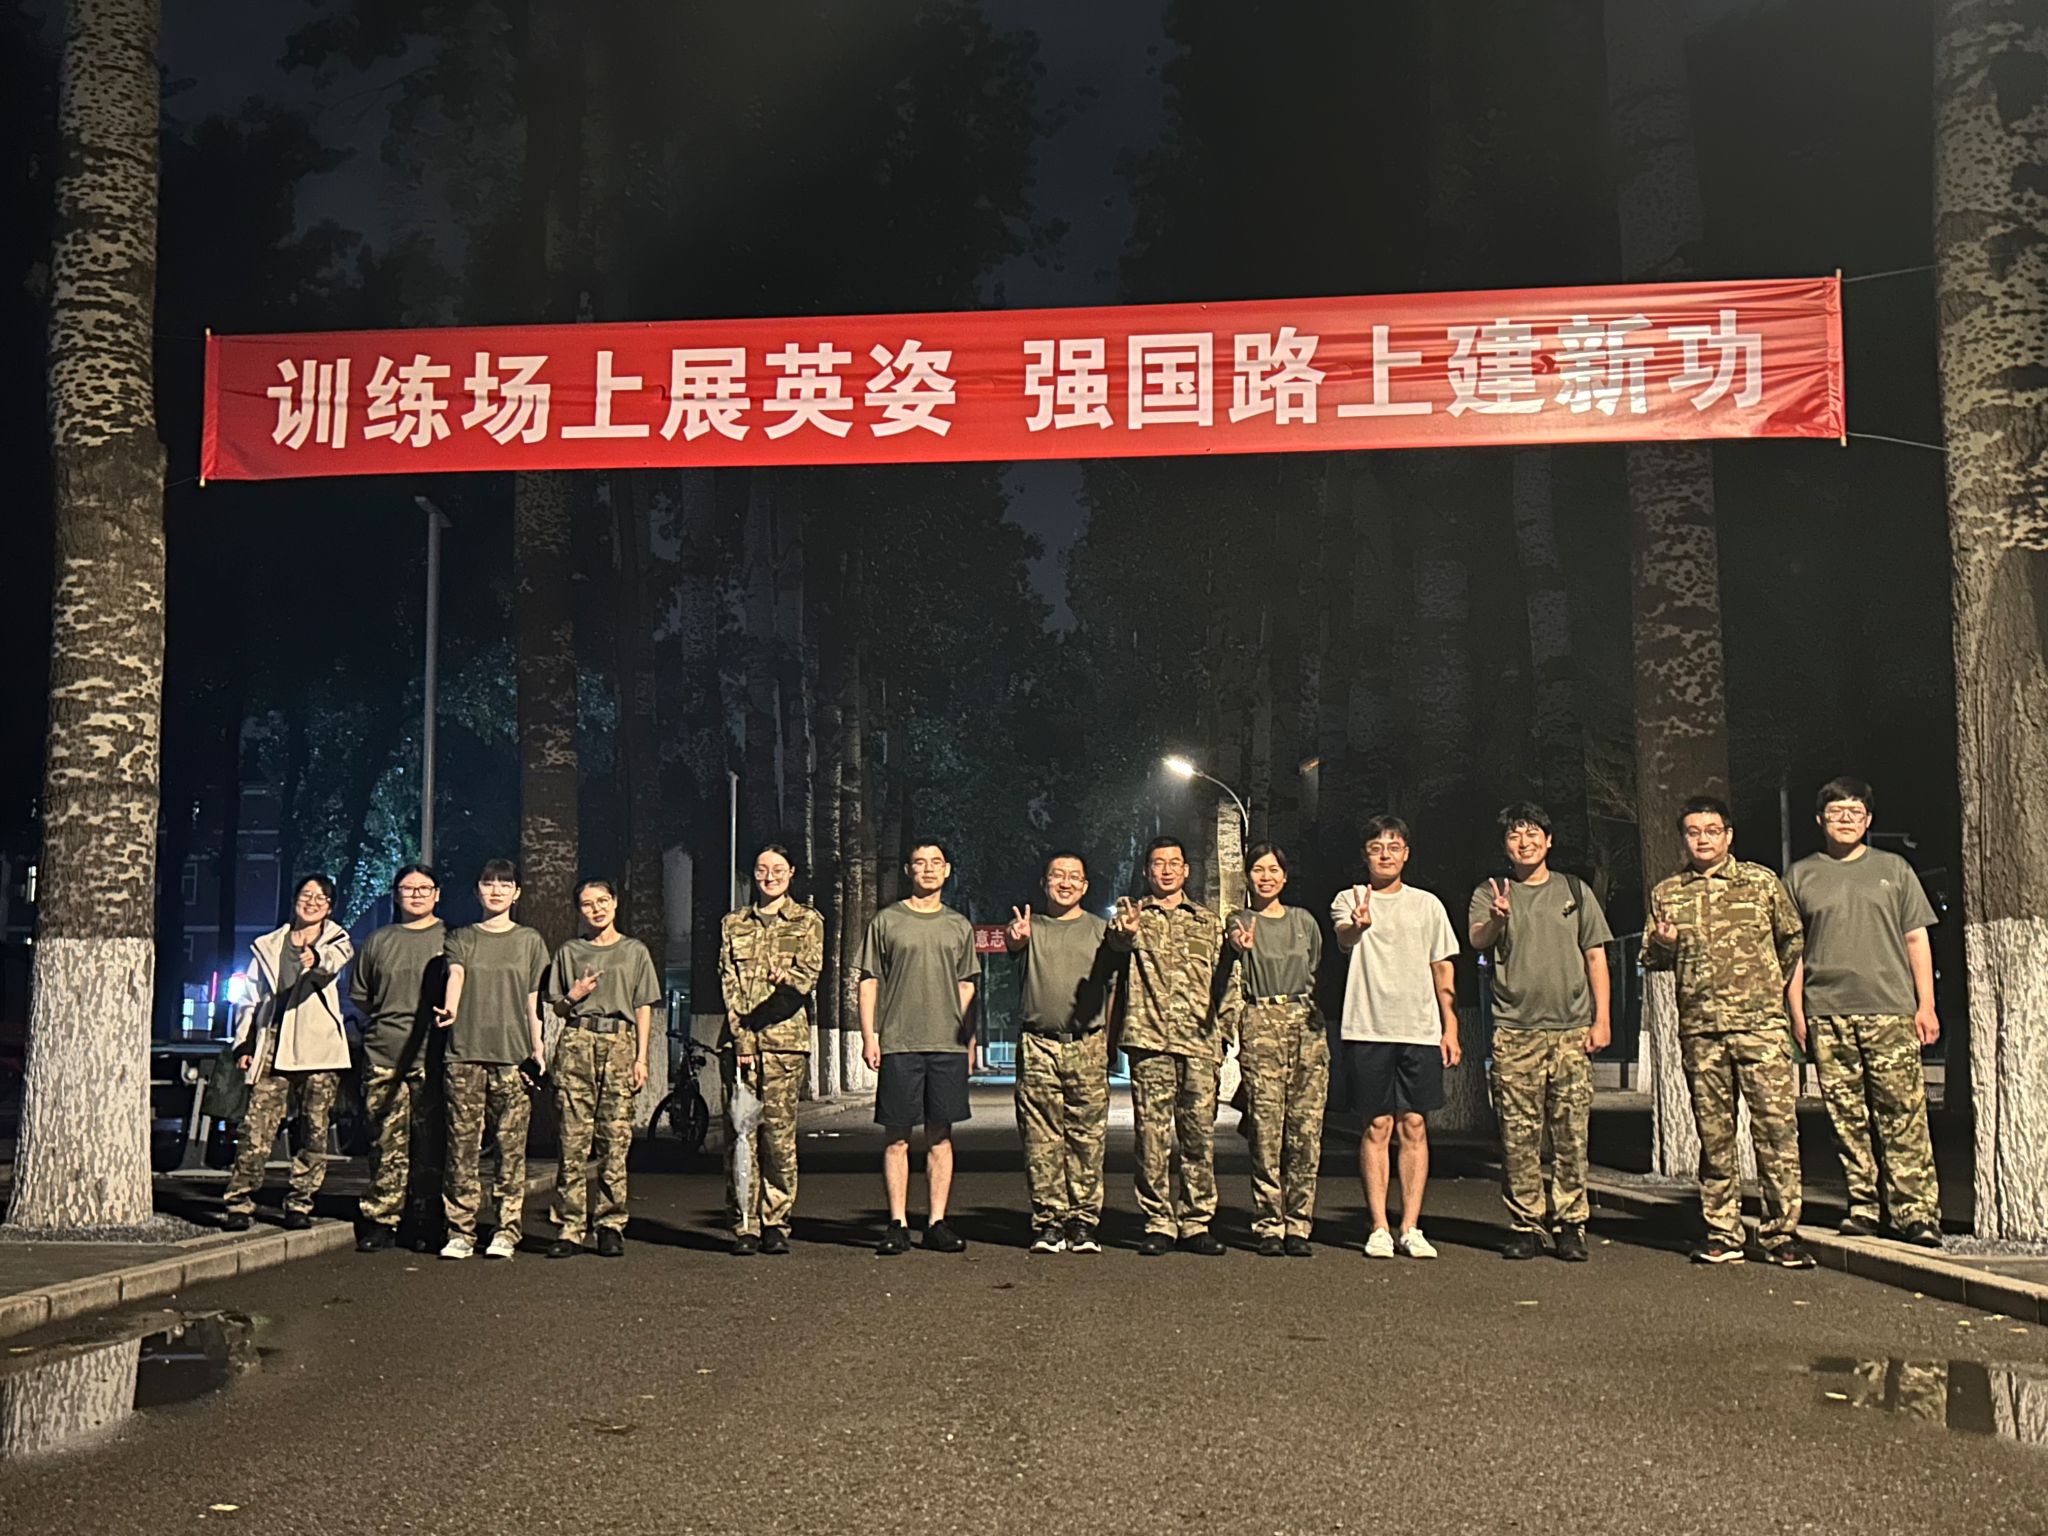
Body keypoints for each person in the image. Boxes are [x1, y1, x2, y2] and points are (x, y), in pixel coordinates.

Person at [1643, 796, 1814, 1268]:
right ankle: (1723, 1231)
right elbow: (1652, 959)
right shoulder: (1668, 893)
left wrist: (1765, 989)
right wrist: (1664, 944)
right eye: (1693, 832)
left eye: (1712, 830)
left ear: (1728, 836)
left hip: (1761, 1029)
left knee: (1776, 1131)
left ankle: (1782, 1234)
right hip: (1702, 1032)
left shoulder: (1761, 883)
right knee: (1715, 1135)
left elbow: (1791, 940)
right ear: (1683, 839)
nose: (1703, 840)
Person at [1787, 776, 1944, 1247]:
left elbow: (1916, 939)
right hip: (1827, 1014)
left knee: (1903, 1114)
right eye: (1836, 812)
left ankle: (1916, 1213)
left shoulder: (1894, 869)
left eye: (1855, 812)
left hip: (1891, 1011)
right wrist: (1797, 1014)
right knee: (1846, 1118)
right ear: (1820, 820)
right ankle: (1863, 1206)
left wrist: (1926, 1005)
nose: (1846, 820)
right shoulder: (1800, 876)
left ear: (1869, 819)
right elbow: (1792, 953)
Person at [1468, 802, 1612, 1262]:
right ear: (1505, 846)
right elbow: (1477, 940)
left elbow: (1595, 956)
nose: (1524, 842)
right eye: (1515, 835)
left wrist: (1602, 1019)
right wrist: (1497, 918)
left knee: (1572, 1135)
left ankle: (1571, 1223)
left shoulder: (1575, 890)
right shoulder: (1492, 891)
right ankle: (1526, 1223)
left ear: (1549, 841)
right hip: (1515, 1032)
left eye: (1533, 834)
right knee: (1518, 1136)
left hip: (1571, 1031)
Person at [1331, 816, 1460, 1261]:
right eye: (1376, 847)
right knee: (1377, 1126)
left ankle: (1411, 1226)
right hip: (1367, 1026)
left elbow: (1442, 966)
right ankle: (1379, 1227)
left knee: (1414, 1125)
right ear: (1365, 855)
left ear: (1406, 854)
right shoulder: (1350, 899)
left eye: (1393, 846)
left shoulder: (1428, 905)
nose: (1385, 854)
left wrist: (1450, 1026)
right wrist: (1359, 925)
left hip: (1420, 1029)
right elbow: (1345, 936)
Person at [1110, 835, 1230, 1256]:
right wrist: (1125, 932)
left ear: (1186, 870)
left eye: (1174, 863)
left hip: (1199, 1044)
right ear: (1147, 871)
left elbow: (1227, 980)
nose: (1166, 870)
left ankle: (1196, 1222)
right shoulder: (1132, 916)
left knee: (1199, 1138)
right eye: (1158, 863)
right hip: (1150, 1042)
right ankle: (1158, 1221)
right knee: (1152, 1138)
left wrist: (1223, 1033)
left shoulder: (1208, 922)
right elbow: (1116, 944)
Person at [859, 840, 980, 1256]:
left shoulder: (958, 925)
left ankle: (937, 1222)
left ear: (947, 871)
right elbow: (869, 980)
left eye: (935, 863)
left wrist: (968, 1041)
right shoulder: (887, 921)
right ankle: (897, 1223)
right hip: (900, 1043)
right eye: (919, 863)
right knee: (897, 1137)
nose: (928, 869)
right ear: (908, 870)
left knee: (940, 1137)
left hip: (946, 1046)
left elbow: (967, 986)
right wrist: (870, 1035)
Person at [222, 875, 355, 1231]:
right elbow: (250, 997)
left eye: (321, 897)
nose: (312, 901)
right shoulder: (268, 944)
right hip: (273, 1043)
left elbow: (331, 963)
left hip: (319, 1049)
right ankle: (239, 1202)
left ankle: (300, 1202)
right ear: (294, 899)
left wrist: (315, 957)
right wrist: (244, 1042)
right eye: (306, 894)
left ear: (330, 907)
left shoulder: (337, 940)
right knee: (256, 1127)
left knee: (314, 1130)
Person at [435, 859, 548, 1261]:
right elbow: (456, 974)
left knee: (510, 1150)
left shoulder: (530, 941)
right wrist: (450, 1009)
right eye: (488, 883)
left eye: (504, 884)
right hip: (464, 1054)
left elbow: (534, 999)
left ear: (517, 893)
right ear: (477, 891)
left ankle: (506, 1229)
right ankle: (460, 1231)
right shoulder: (461, 937)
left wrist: (538, 1047)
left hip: (512, 1057)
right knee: (462, 1148)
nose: (496, 890)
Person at [542, 879, 661, 1259]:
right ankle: (570, 1226)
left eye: (603, 900)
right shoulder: (569, 951)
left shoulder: (634, 951)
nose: (596, 909)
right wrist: (574, 995)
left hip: (620, 1044)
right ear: (579, 910)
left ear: (615, 902)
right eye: (587, 904)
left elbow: (643, 1006)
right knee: (572, 1139)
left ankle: (610, 1224)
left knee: (615, 1139)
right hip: (578, 1041)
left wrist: (642, 1058)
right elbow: (558, 1006)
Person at [1006, 851, 1117, 1254]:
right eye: (1057, 875)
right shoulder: (1029, 927)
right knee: (1040, 1138)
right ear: (1045, 883)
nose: (1065, 882)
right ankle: (1049, 1222)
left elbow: (1114, 985)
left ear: (1085, 886)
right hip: (1038, 1044)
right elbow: (1013, 943)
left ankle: (1083, 1221)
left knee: (1087, 1138)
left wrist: (1107, 1042)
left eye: (1074, 877)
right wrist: (1016, 938)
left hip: (1087, 1044)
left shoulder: (1100, 931)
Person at [718, 844, 825, 1256]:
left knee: (778, 1139)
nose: (770, 876)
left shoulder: (807, 921)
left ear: (791, 872)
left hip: (785, 1047)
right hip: (740, 1046)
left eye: (778, 869)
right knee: (741, 1135)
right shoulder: (733, 923)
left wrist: (786, 980)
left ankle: (776, 1222)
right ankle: (744, 1223)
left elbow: (808, 977)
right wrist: (742, 1039)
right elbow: (728, 983)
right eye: (762, 869)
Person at [1224, 843, 1328, 1258]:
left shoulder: (1304, 921)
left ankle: (1299, 1222)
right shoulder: (1240, 919)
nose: (1266, 877)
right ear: (1248, 877)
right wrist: (1240, 942)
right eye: (1258, 870)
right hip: (1260, 1020)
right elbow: (1235, 942)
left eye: (1273, 870)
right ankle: (1269, 1222)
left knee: (1306, 1130)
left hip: (1304, 1023)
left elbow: (1316, 965)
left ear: (1284, 877)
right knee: (1266, 1130)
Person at [348, 864, 448, 1252]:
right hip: (384, 1053)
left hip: (432, 1056)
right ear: (396, 895)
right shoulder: (379, 940)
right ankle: (381, 1219)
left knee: (430, 1143)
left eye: (424, 888)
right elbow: (362, 995)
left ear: (437, 894)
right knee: (385, 1142)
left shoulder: (452, 938)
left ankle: (425, 1218)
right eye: (408, 888)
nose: (416, 895)